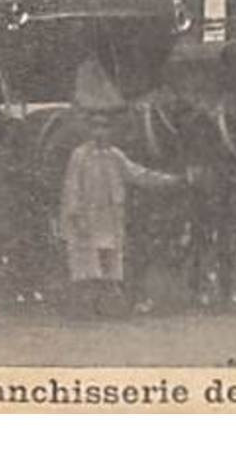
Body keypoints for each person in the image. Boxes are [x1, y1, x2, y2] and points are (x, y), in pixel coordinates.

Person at [60, 108, 185, 317]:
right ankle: (88, 308)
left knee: (110, 261)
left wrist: (173, 180)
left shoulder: (115, 156)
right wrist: (75, 214)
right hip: (88, 217)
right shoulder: (80, 156)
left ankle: (108, 307)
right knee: (88, 264)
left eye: (105, 127)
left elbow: (138, 174)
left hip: (110, 217)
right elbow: (71, 187)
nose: (101, 132)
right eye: (96, 127)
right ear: (90, 131)